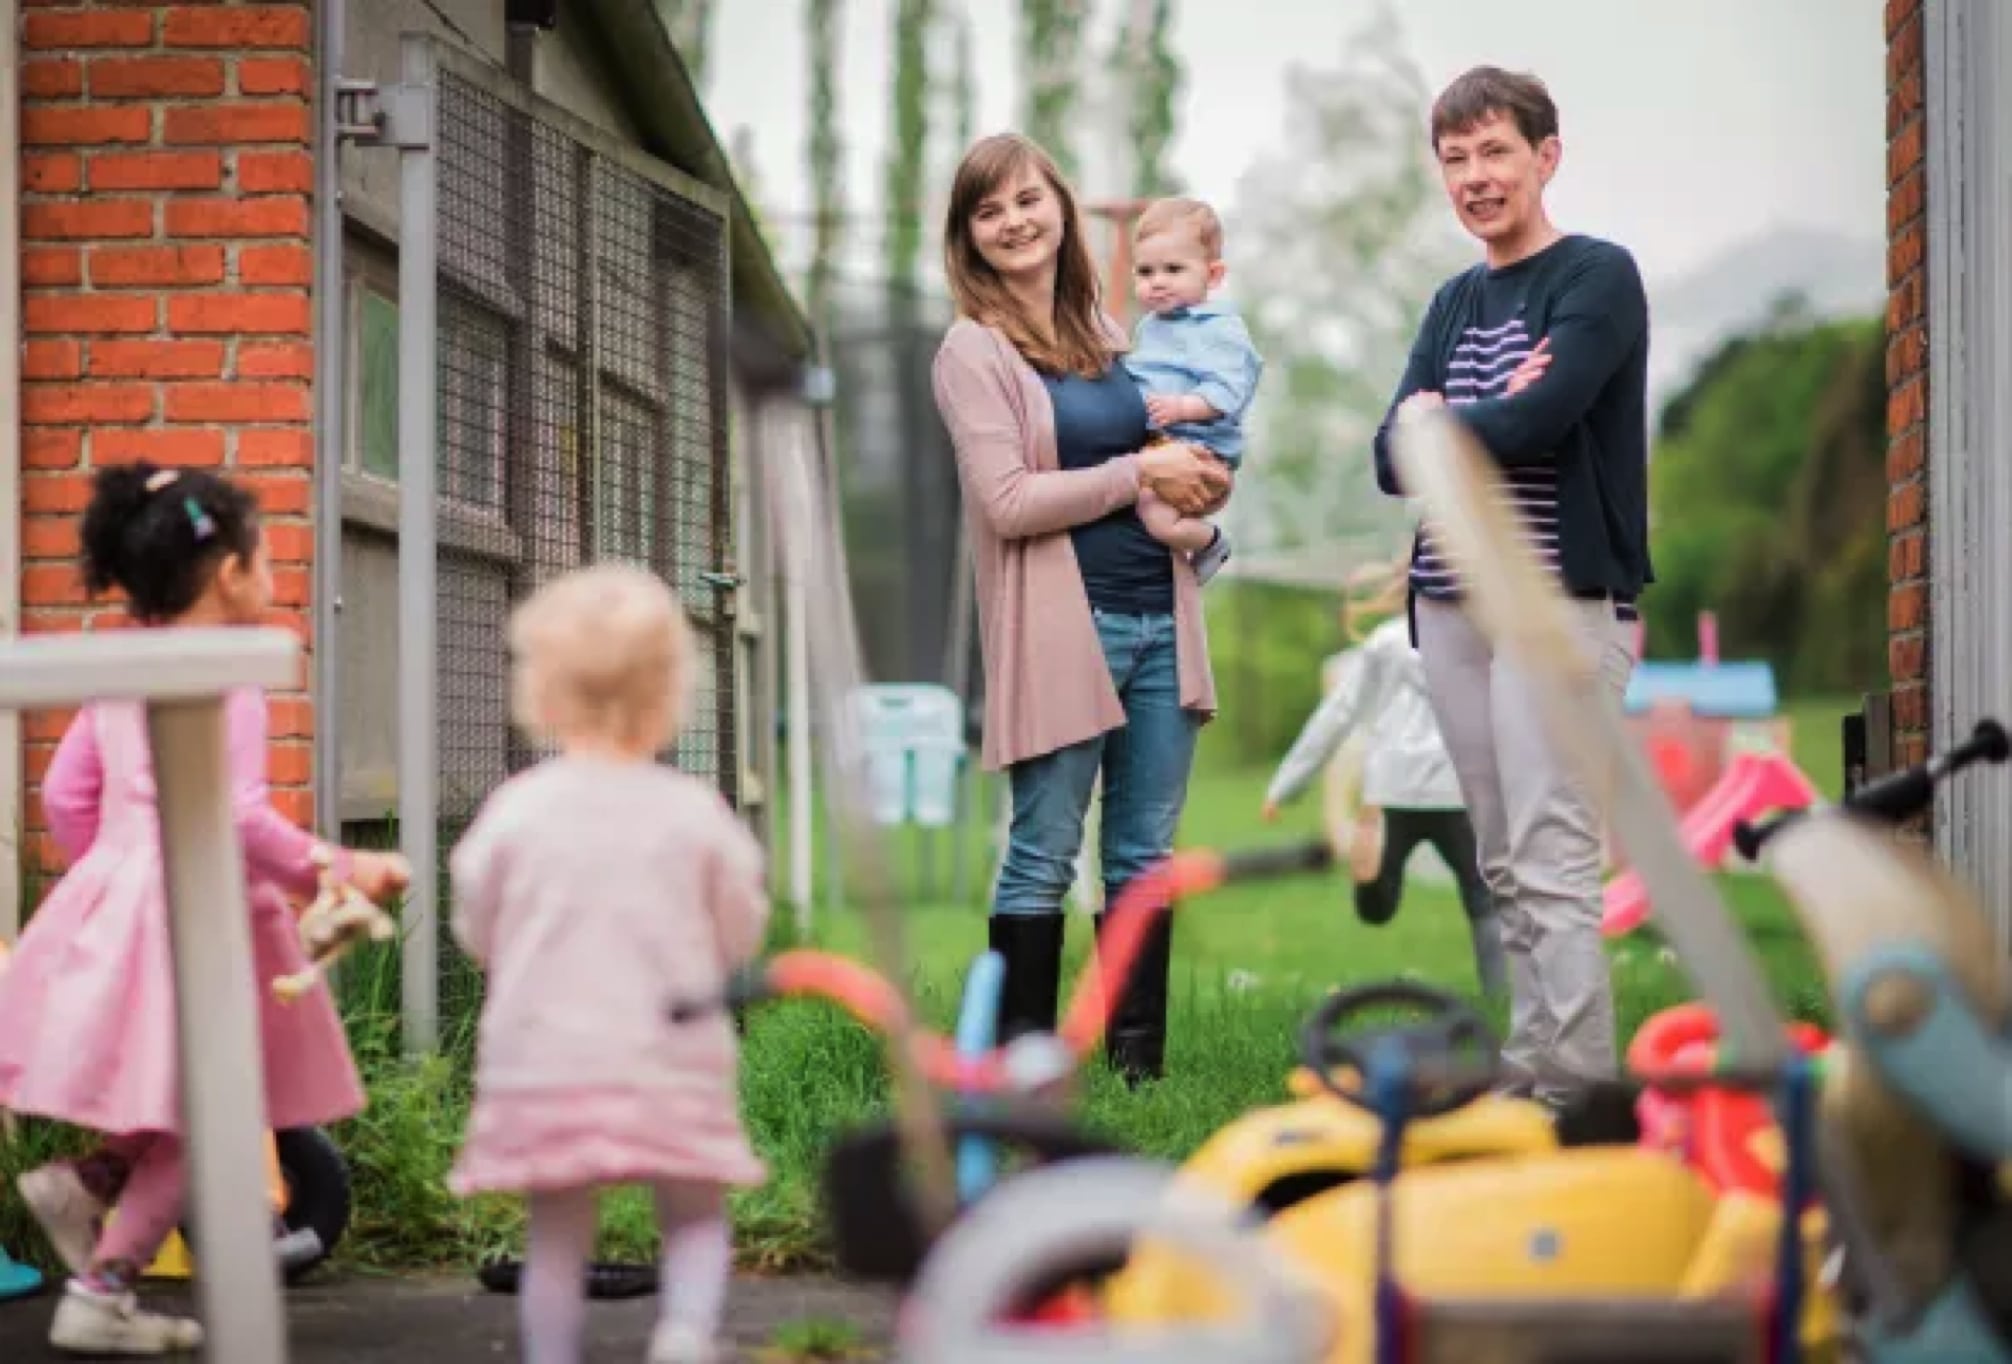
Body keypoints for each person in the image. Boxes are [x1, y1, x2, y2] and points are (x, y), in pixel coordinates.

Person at [0, 463, 408, 1355]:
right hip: (202, 917)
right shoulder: (232, 681)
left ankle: (92, 1179)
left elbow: (69, 794)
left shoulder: (121, 667)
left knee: (178, 1098)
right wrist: (341, 865)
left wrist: (111, 881)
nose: (273, 580)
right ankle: (102, 1289)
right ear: (229, 575)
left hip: (126, 902)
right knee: (215, 1110)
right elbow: (238, 816)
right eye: (266, 561)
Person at [1371, 66, 1650, 1108]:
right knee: (1497, 859)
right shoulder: (1452, 302)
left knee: (1549, 850)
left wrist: (1442, 423)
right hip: (1448, 606)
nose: (1475, 178)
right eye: (1454, 160)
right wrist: (1439, 428)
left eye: (1493, 152)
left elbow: (1543, 418)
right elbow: (1388, 457)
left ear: (1544, 155)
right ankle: (1533, 1071)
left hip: (1555, 603)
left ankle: (1577, 1095)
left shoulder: (1595, 277)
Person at [933, 132, 1232, 1085]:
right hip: (1067, 634)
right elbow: (1010, 501)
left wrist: (1203, 496)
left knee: (1143, 857)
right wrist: (1138, 468)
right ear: (970, 237)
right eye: (990, 211)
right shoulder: (971, 351)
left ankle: (1136, 1073)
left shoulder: (1113, 342)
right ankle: (1021, 1074)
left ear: (1060, 207)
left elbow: (1176, 471)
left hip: (1161, 626)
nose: (1015, 222)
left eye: (1028, 200)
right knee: (1044, 854)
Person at [447, 563, 770, 1364]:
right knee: (694, 1212)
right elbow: (741, 926)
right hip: (669, 1054)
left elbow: (476, 920)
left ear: (542, 691)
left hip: (545, 1059)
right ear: (669, 694)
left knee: (555, 1231)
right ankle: (687, 1337)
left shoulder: (516, 809)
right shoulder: (694, 813)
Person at [1261, 562, 1507, 1000]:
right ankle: (1502, 998)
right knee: (1484, 902)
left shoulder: (1385, 642)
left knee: (1377, 910)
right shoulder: (1481, 642)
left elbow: (1337, 714)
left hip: (1390, 791)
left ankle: (1369, 877)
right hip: (1455, 791)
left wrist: (1286, 785)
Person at [1121, 196, 1265, 585]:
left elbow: (1229, 389)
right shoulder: (1150, 326)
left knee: (1157, 518)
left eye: (1173, 269)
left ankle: (1210, 542)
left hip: (1201, 451)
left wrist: (1185, 407)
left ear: (1213, 275)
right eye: (1145, 271)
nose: (1157, 282)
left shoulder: (1220, 329)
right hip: (1159, 443)